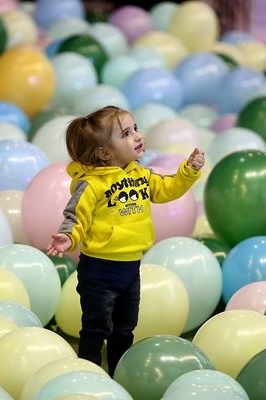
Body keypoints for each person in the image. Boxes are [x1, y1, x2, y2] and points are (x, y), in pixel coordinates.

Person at [46, 105, 204, 376]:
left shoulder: (141, 176)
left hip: (130, 268)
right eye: (126, 133)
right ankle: (89, 373)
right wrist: (68, 237)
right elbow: (76, 215)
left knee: (124, 327)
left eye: (136, 129)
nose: (137, 136)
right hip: (99, 270)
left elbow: (167, 189)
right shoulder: (91, 184)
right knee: (96, 327)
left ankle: (119, 372)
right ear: (105, 152)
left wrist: (187, 171)